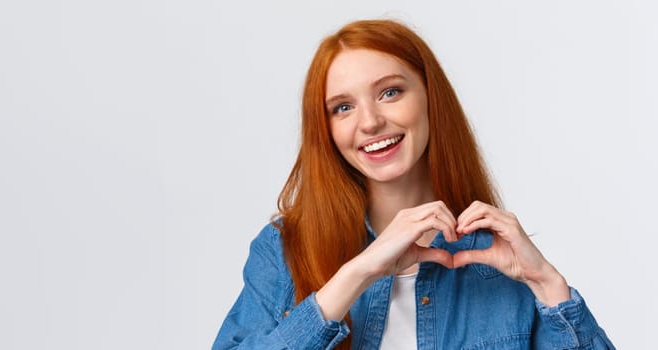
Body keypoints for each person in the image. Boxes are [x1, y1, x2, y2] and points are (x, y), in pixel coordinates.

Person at [212, 19, 615, 350]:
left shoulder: (499, 261)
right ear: (327, 129)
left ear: (430, 98)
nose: (369, 122)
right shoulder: (283, 249)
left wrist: (547, 284)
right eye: (343, 107)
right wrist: (357, 274)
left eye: (390, 92)